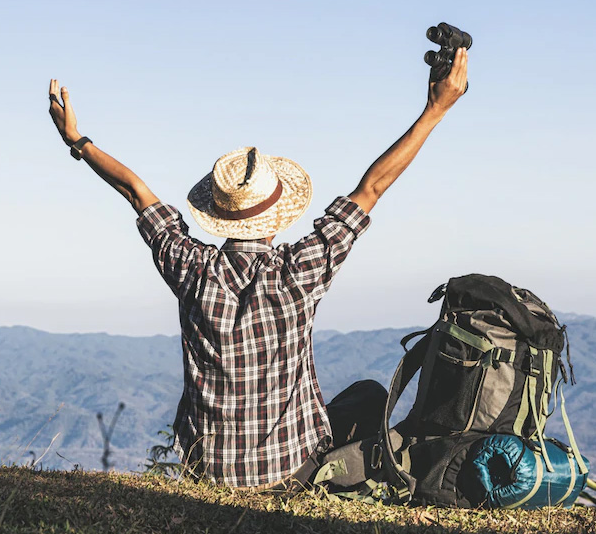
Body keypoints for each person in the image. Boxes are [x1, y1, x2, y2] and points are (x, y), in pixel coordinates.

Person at [47, 47, 468, 489]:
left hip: (206, 471)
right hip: (291, 472)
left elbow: (135, 190)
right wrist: (435, 110)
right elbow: (373, 187)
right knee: (369, 396)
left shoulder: (189, 266)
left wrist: (76, 140)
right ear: (279, 214)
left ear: (220, 214)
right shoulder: (299, 271)